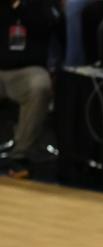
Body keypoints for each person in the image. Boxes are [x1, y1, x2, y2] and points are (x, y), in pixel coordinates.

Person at [0, 0, 59, 179]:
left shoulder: (39, 4)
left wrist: (21, 7)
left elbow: (49, 23)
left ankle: (20, 155)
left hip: (28, 70)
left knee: (39, 86)